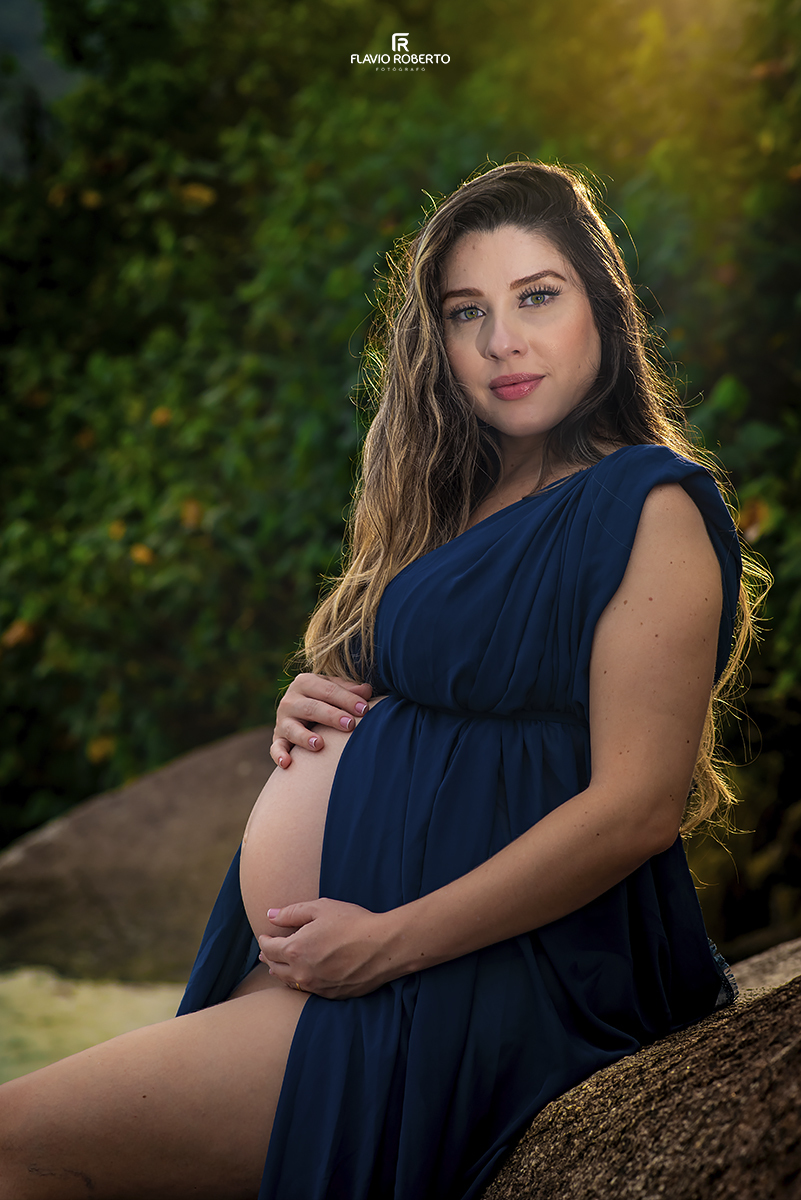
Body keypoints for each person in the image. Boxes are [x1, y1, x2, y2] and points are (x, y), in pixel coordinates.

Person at [0, 161, 759, 1200]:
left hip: (494, 974)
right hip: (358, 962)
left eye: (538, 296)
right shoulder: (463, 493)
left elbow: (636, 808)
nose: (502, 342)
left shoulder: (648, 503)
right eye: (466, 312)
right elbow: (419, 692)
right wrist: (310, 703)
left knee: (16, 1140)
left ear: (603, 309)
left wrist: (388, 944)